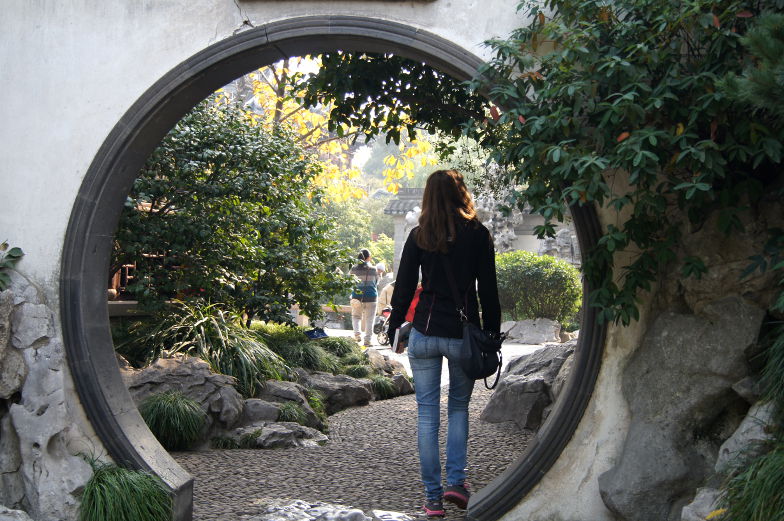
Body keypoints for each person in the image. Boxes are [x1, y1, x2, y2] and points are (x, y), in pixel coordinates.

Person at [387, 169, 501, 518]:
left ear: (427, 197)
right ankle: (457, 482)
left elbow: (403, 288)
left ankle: (433, 498)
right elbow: (489, 291)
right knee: (457, 409)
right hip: (462, 335)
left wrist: (394, 329)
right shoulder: (478, 234)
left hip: (423, 332)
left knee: (426, 414)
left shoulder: (419, 235)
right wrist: (492, 336)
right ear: (460, 193)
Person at [349, 248, 379, 347]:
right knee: (370, 319)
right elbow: (376, 282)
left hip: (357, 297)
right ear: (368, 258)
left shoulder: (353, 269)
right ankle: (367, 341)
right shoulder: (373, 269)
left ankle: (357, 335)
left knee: (356, 317)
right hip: (371, 297)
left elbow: (349, 282)